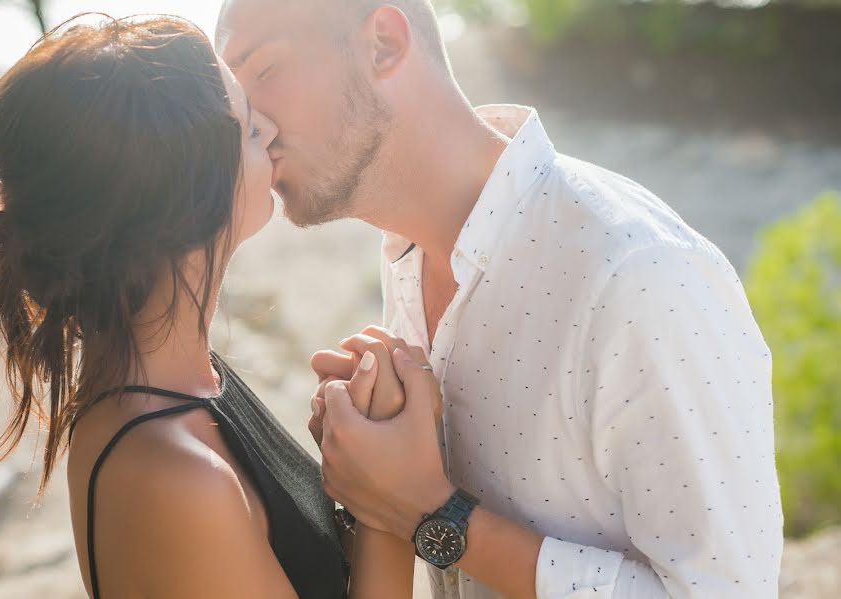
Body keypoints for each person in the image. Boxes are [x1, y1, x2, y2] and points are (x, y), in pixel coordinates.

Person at [216, 0, 784, 597]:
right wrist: (373, 467)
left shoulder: (640, 276)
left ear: (382, 43)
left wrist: (429, 512)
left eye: (265, 72)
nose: (251, 123)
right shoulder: (411, 258)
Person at [0, 14, 423, 599]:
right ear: (182, 197)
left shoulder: (185, 384)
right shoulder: (171, 471)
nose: (271, 130)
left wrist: (353, 470)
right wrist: (390, 508)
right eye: (247, 126)